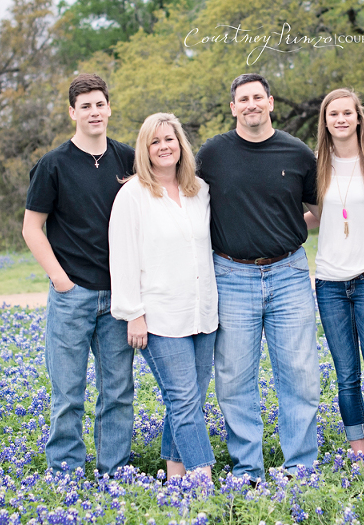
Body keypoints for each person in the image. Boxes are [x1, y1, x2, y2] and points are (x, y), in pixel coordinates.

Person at [195, 73, 320, 481]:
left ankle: (300, 466)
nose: (251, 104)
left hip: (288, 272)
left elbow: (320, 209)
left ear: (270, 102)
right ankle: (247, 468)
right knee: (234, 378)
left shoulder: (297, 151)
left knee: (299, 373)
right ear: (233, 107)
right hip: (232, 274)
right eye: (242, 99)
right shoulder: (212, 153)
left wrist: (288, 225)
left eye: (257, 97)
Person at [22, 73, 135, 475]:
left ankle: (114, 470)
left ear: (109, 108)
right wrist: (60, 280)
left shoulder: (127, 158)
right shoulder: (53, 164)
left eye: (99, 104)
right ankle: (66, 473)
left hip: (119, 296)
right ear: (72, 112)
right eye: (85, 106)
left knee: (118, 391)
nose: (94, 112)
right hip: (73, 294)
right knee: (68, 393)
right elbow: (31, 228)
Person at [109, 113, 217, 480]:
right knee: (184, 400)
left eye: (169, 139)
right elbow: (122, 257)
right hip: (159, 315)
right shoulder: (132, 195)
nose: (163, 147)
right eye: (154, 142)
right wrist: (133, 313)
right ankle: (203, 480)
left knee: (188, 400)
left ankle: (175, 476)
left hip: (202, 312)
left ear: (180, 144)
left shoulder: (199, 191)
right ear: (144, 149)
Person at [303, 88, 364, 474]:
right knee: (346, 377)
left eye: (347, 113)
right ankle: (357, 453)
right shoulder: (316, 163)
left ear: (358, 117)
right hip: (329, 282)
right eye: (333, 114)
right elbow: (319, 215)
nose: (340, 119)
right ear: (324, 121)